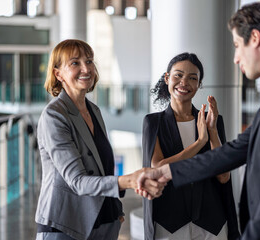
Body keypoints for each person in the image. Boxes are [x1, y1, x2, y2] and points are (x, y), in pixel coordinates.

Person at [137, 2, 260, 240]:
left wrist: (254, 234)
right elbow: (233, 151)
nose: (235, 58)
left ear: (255, 38)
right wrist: (166, 172)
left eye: (236, 45)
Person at [35, 39, 164, 240]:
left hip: (104, 222)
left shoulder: (93, 110)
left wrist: (115, 208)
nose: (86, 68)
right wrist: (129, 181)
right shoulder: (54, 116)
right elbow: (77, 181)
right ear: (58, 73)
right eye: (75, 63)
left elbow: (100, 165)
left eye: (89, 61)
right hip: (65, 226)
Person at [142, 52, 240, 240]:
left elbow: (223, 176)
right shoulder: (153, 122)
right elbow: (159, 168)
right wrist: (199, 143)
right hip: (170, 223)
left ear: (199, 84)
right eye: (178, 75)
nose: (184, 82)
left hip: (212, 222)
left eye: (192, 78)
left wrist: (211, 132)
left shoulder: (214, 121)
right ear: (167, 78)